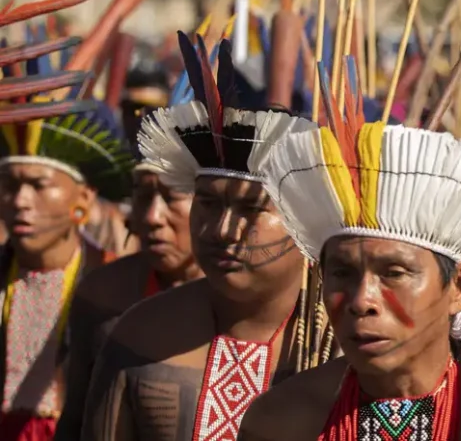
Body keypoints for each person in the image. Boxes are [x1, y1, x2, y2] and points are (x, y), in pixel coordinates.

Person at [236, 84, 461, 440]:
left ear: (460, 286)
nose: (362, 300)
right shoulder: (282, 421)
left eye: (394, 273)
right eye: (342, 273)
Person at [80, 36, 319, 441]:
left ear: (305, 221)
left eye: (250, 209)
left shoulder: (347, 350)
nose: (223, 230)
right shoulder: (139, 334)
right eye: (207, 203)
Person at [0, 99, 135, 440]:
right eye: (10, 185)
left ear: (84, 198)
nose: (20, 201)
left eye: (39, 185)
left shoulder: (116, 287)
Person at [56, 155, 200, 438]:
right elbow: (76, 415)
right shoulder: (102, 294)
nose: (152, 217)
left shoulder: (240, 301)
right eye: (143, 197)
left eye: (171, 198)